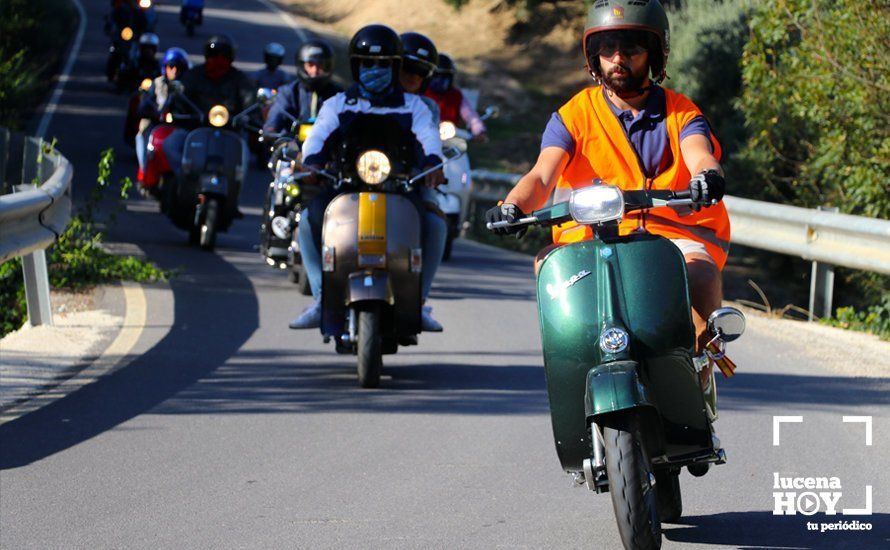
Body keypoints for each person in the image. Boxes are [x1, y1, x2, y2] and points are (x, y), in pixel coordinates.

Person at [485, 0, 729, 412]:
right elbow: (542, 175)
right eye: (608, 46)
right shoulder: (572, 115)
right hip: (591, 233)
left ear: (654, 53)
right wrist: (511, 205)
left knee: (701, 275)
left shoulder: (681, 110)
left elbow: (699, 153)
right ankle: (575, 367)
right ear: (593, 56)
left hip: (671, 233)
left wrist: (708, 175)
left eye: (632, 46)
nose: (619, 57)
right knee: (547, 266)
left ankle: (701, 371)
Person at [288, 24, 446, 332]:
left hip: (400, 187)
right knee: (307, 221)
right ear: (355, 66)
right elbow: (316, 141)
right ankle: (321, 298)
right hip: (343, 188)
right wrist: (310, 164)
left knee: (436, 225)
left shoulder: (414, 107)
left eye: (384, 64)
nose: (376, 70)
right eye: (368, 63)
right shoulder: (337, 104)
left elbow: (430, 143)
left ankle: (419, 301)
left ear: (395, 66)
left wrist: (433, 165)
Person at [161, 34, 256, 177]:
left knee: (244, 155)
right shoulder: (192, 76)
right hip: (195, 129)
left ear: (230, 57)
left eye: (223, 55)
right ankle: (184, 177)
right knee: (170, 144)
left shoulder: (240, 79)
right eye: (213, 55)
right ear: (206, 55)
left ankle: (233, 187)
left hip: (230, 131)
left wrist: (248, 117)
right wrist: (181, 113)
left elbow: (251, 101)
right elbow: (181, 98)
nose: (218, 60)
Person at [135, 46, 190, 184]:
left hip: (180, 127)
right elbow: (142, 107)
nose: (174, 70)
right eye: (171, 66)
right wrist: (156, 113)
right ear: (165, 67)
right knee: (143, 136)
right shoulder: (157, 83)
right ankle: (145, 171)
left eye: (178, 67)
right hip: (157, 125)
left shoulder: (189, 87)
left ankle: (189, 179)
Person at [263, 39, 342, 135]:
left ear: (328, 66)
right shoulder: (288, 92)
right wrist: (271, 130)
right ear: (302, 65)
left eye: (320, 65)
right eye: (310, 65)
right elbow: (276, 115)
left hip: (330, 146)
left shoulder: (338, 95)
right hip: (294, 146)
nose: (315, 71)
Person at [425, 53, 487, 142]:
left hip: (452, 142)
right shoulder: (421, 93)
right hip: (425, 140)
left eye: (445, 76)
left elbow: (470, 115)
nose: (440, 80)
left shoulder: (456, 95)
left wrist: (479, 130)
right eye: (436, 76)